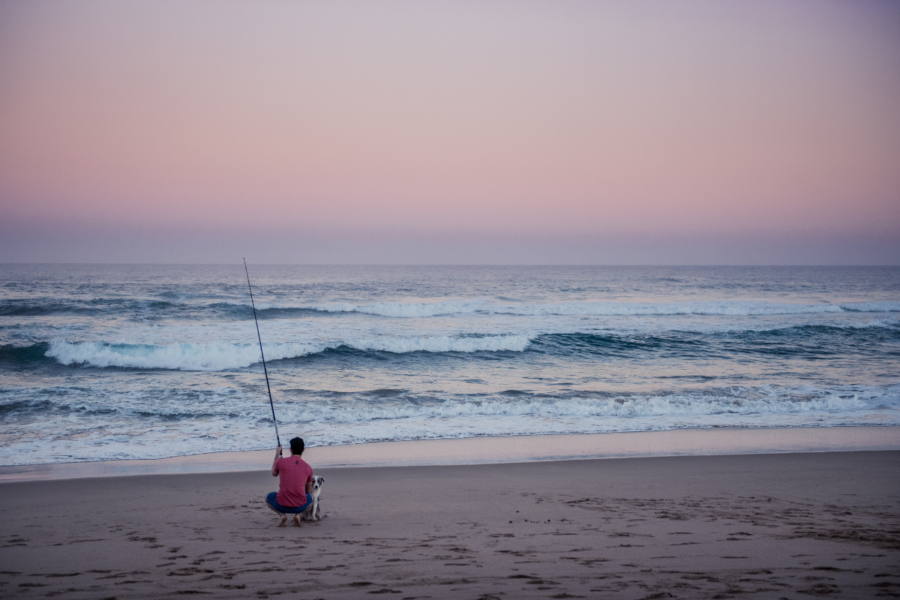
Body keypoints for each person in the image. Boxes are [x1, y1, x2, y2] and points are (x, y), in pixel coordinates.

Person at [266, 437, 314, 527]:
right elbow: (309, 490)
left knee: (268, 497)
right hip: (300, 506)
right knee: (311, 498)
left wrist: (277, 453)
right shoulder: (308, 468)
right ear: (303, 449)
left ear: (290, 449)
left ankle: (282, 515)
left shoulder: (281, 462)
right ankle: (298, 515)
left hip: (281, 504)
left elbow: (273, 473)